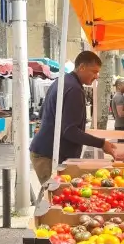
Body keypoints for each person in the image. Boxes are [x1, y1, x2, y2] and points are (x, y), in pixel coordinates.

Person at [30, 51, 117, 184]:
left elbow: (46, 115)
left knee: (55, 196)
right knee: (53, 197)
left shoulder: (62, 81)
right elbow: (70, 131)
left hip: (47, 152)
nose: (96, 76)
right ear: (81, 67)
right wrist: (101, 143)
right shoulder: (74, 89)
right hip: (49, 155)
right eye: (94, 71)